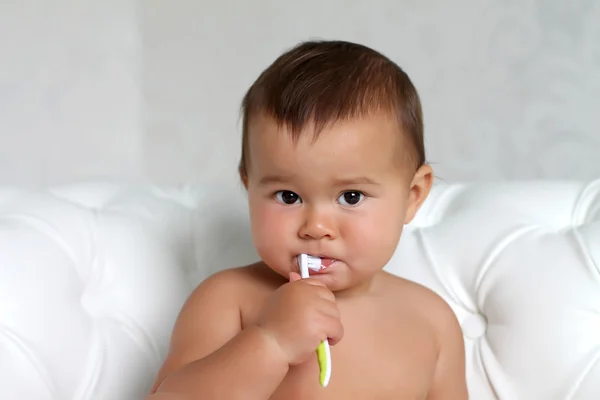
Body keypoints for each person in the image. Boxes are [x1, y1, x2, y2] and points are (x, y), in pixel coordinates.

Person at [148, 40, 468, 399]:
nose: (316, 227)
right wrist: (270, 342)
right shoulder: (229, 300)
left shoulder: (431, 321)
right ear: (249, 187)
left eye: (351, 197)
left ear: (412, 197)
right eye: (289, 196)